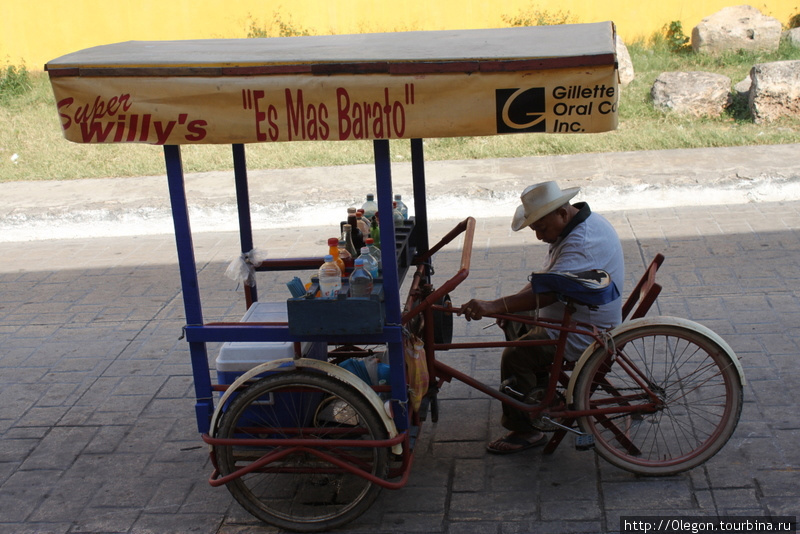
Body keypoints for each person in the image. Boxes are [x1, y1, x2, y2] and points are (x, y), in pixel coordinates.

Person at [461, 181, 624, 454]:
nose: (538, 236)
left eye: (541, 228)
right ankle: (533, 389)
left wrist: (493, 305)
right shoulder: (576, 225)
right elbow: (547, 278)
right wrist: (504, 306)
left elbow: (549, 293)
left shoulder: (581, 243)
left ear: (561, 213)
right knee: (514, 317)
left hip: (583, 329)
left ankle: (526, 428)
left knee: (515, 355)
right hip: (573, 313)